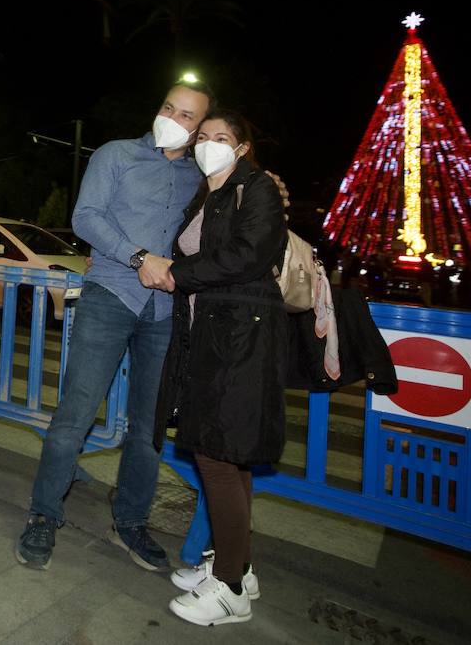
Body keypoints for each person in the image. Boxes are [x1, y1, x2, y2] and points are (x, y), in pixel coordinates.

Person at [13, 81, 211, 572]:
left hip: (165, 312)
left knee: (149, 428)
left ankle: (130, 523)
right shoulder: (116, 154)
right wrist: (137, 256)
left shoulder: (200, 177)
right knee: (76, 412)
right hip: (110, 294)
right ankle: (43, 514)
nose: (173, 117)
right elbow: (85, 217)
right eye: (169, 106)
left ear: (199, 129)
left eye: (187, 115)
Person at [157, 111, 289, 627]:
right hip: (210, 331)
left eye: (222, 138)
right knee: (229, 455)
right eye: (203, 138)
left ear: (242, 147)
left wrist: (177, 275)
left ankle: (230, 589)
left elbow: (249, 254)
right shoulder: (206, 194)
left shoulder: (255, 187)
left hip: (241, 334)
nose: (209, 144)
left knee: (216, 453)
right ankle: (238, 565)